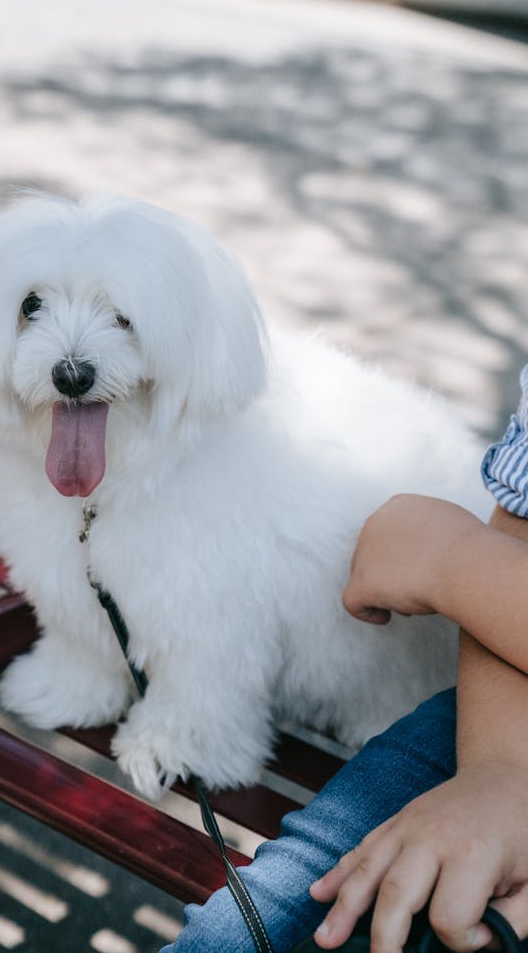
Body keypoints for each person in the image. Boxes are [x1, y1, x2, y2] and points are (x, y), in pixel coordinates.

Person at [162, 366, 528, 953]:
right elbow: (524, 510)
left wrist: (454, 564)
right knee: (233, 939)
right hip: (507, 700)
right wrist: (502, 770)